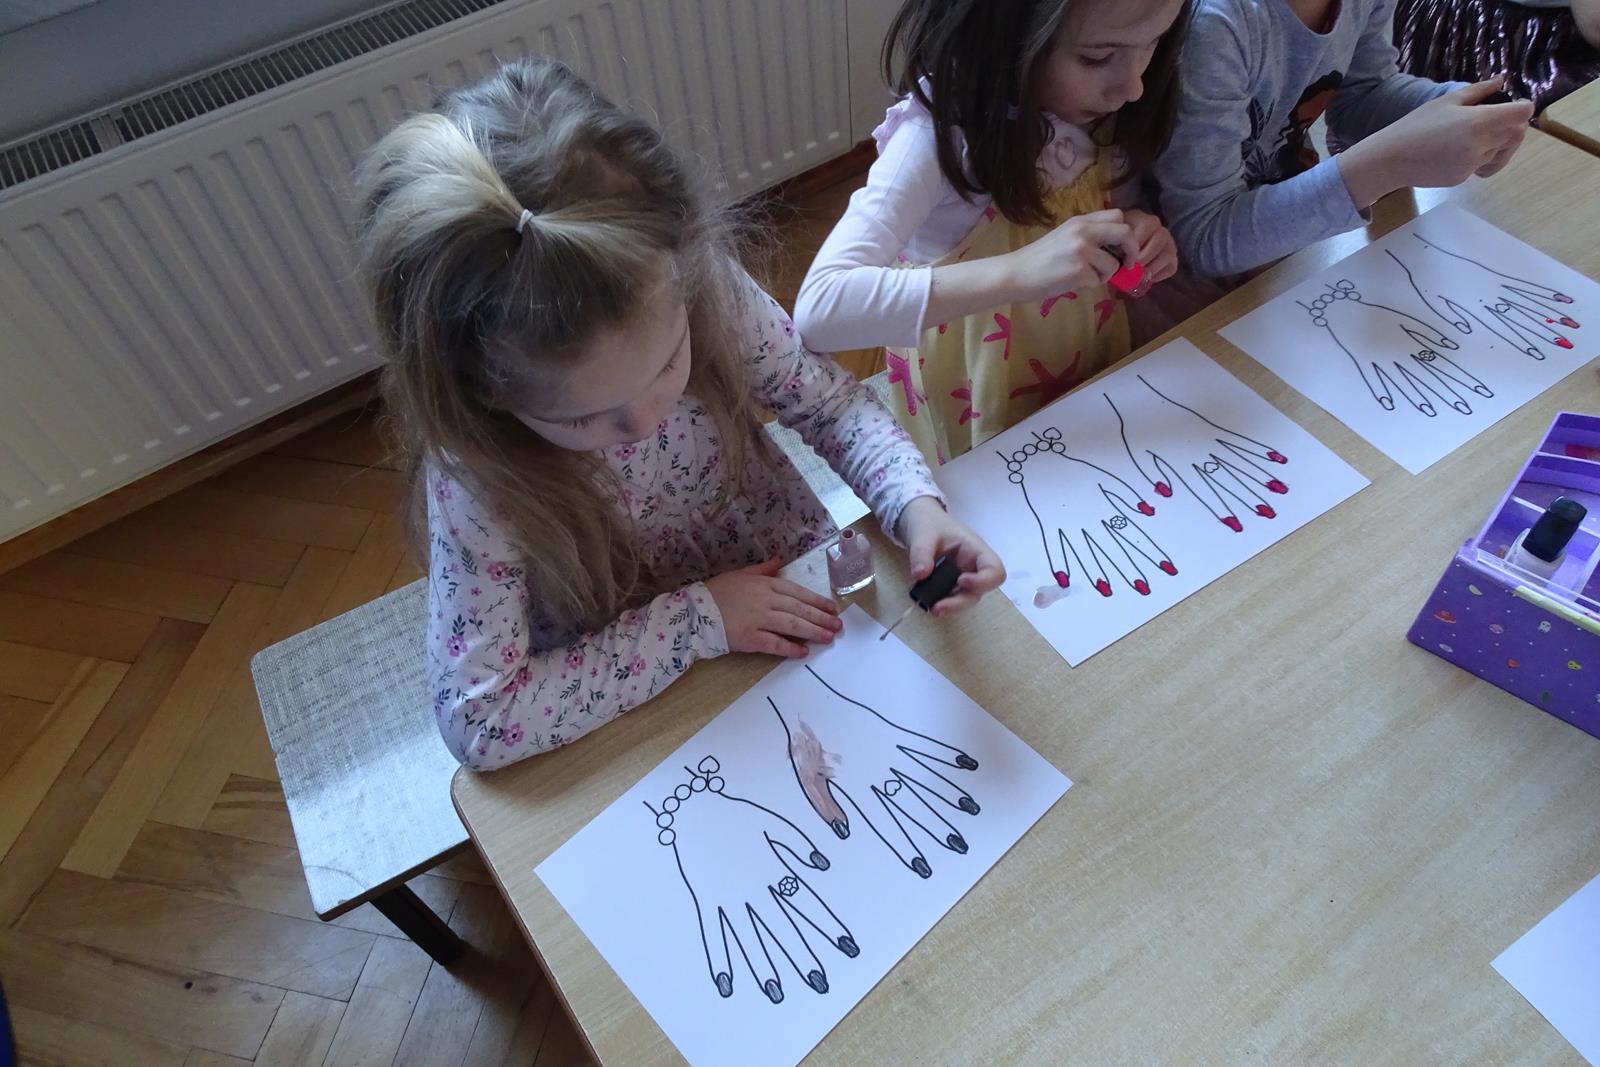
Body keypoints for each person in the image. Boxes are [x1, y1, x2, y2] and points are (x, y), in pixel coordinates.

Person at [354, 58, 1004, 770]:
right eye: (583, 420)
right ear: (482, 393)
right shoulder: (477, 479)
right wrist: (700, 621)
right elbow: (481, 718)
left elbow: (832, 405)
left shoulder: (704, 292)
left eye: (668, 365)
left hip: (791, 592)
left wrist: (914, 504)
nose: (643, 421)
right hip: (630, 690)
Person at [793, 0, 1190, 465]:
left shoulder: (1098, 106)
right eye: (1096, 58)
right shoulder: (933, 141)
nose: (1134, 86)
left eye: (1154, 43)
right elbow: (821, 309)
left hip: (1083, 362)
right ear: (1003, 33)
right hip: (976, 393)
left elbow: (1107, 203)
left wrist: (1135, 230)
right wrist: (1022, 270)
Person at [1154, 0, 1535, 282]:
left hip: (1287, 243)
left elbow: (1360, 96)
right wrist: (1389, 163)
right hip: (1176, 278)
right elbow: (1204, 240)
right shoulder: (1214, 24)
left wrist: (1454, 110)